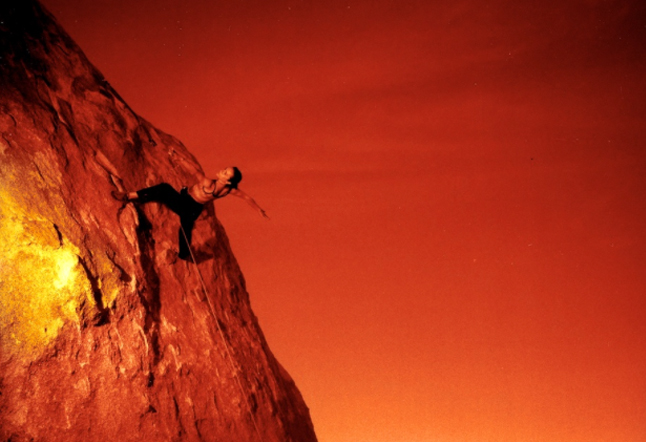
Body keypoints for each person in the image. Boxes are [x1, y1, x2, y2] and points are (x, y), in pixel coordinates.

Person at [112, 149, 268, 261]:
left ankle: (129, 196)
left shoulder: (208, 183)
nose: (222, 171)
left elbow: (194, 171)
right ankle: (183, 254)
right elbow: (246, 197)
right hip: (195, 209)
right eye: (225, 169)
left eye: (225, 173)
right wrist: (259, 210)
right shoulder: (229, 190)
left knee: (164, 188)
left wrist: (177, 157)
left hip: (186, 203)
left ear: (227, 181)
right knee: (185, 229)